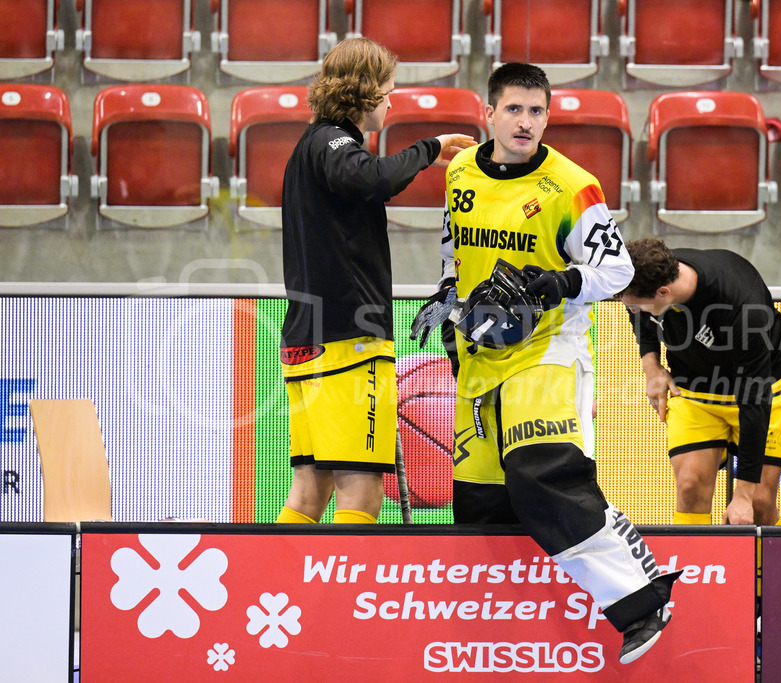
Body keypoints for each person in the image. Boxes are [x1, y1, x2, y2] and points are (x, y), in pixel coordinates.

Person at [411, 62, 680, 665]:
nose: (525, 122)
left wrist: (559, 281)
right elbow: (456, 243)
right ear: (489, 114)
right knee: (481, 505)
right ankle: (497, 647)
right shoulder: (459, 170)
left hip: (548, 352)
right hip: (480, 358)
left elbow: (618, 271)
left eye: (536, 111)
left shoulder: (573, 186)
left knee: (542, 471)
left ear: (547, 116)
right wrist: (448, 291)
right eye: (513, 109)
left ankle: (641, 598)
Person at [275, 37, 474, 525]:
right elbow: (374, 179)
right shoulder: (331, 142)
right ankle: (342, 604)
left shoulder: (311, 147)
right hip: (349, 340)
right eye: (388, 90)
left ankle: (280, 594)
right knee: (361, 495)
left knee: (310, 491)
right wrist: (431, 148)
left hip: (308, 340)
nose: (392, 100)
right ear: (364, 93)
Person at [616, 238, 781, 527]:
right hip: (694, 391)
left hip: (760, 392)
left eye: (638, 307)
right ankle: (697, 572)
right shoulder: (650, 273)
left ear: (664, 292)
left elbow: (755, 401)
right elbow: (637, 312)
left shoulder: (744, 309)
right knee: (689, 488)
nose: (634, 311)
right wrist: (652, 367)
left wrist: (744, 495)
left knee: (759, 504)